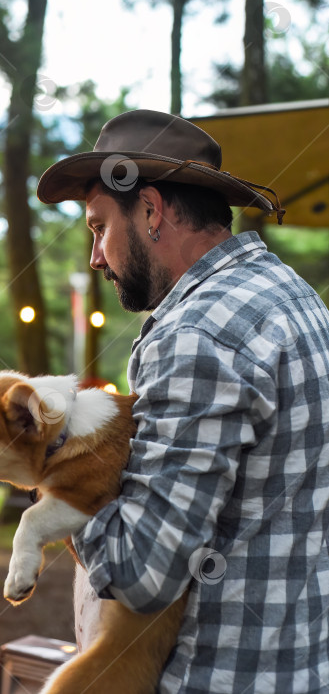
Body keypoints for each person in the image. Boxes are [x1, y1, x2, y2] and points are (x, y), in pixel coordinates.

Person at [37, 110, 329, 693]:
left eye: (98, 227)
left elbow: (142, 573)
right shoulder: (294, 296)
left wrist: (52, 473)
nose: (95, 257)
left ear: (150, 210)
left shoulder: (195, 335)